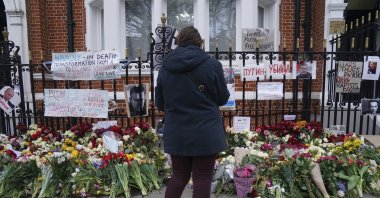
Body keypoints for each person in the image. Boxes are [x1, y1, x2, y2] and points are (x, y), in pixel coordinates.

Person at [155, 26, 230, 198]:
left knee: (179, 177)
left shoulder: (166, 67)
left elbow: (160, 103)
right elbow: (222, 98)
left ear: (179, 42)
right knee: (202, 178)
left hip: (178, 130)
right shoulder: (212, 65)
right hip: (206, 131)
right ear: (199, 42)